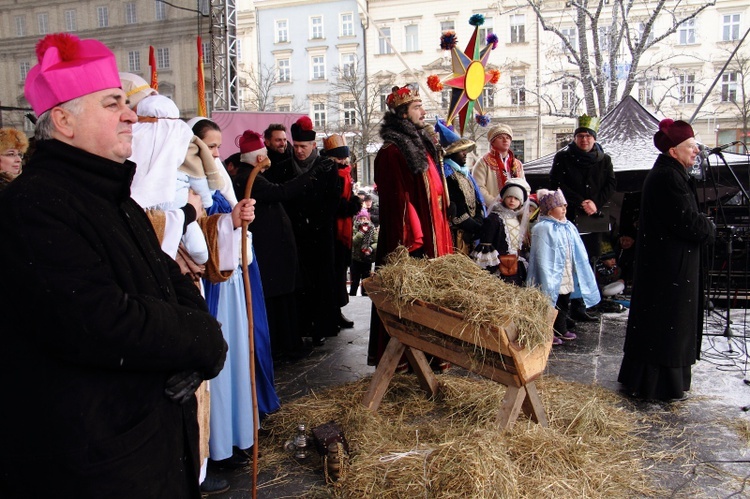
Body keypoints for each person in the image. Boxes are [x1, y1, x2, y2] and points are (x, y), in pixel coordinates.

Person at [0, 33, 227, 498]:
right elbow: (98, 319)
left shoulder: (113, 196)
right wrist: (200, 339)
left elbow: (169, 282)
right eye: (112, 104)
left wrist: (206, 335)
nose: (130, 115)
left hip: (146, 449)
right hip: (96, 463)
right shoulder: (33, 206)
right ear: (63, 120)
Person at [190, 120, 280, 480]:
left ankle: (237, 437)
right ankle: (215, 448)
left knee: (240, 360)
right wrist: (229, 221)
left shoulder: (219, 182)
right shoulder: (185, 182)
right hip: (211, 287)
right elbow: (194, 235)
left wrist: (240, 218)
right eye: (209, 147)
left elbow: (227, 223)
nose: (215, 154)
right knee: (219, 371)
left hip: (233, 284)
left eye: (216, 146)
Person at [618, 119, 714, 402]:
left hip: (667, 265)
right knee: (667, 326)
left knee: (661, 325)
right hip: (670, 268)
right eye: (691, 146)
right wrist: (708, 227)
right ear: (674, 151)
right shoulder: (668, 177)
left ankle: (652, 381)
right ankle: (660, 385)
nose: (696, 151)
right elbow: (685, 221)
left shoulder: (671, 174)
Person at [367, 84, 453, 368]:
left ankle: (435, 353)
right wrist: (412, 238)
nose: (423, 111)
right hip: (416, 243)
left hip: (435, 234)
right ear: (403, 114)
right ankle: (408, 359)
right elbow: (399, 202)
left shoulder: (421, 144)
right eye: (417, 107)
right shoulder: (393, 152)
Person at [227, 130, 327, 362]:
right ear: (260, 158)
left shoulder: (251, 174)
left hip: (274, 250)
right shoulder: (248, 177)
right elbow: (280, 192)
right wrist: (311, 174)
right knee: (277, 301)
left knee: (283, 298)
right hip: (269, 251)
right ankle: (284, 346)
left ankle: (289, 342)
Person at [549, 115, 616, 322]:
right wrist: (580, 202)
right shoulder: (563, 158)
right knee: (568, 261)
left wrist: (594, 203)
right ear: (575, 138)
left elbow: (610, 185)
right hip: (569, 215)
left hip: (593, 217)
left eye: (588, 136)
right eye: (580, 136)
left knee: (587, 261)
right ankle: (565, 309)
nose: (584, 140)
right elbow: (556, 182)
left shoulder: (604, 160)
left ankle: (581, 305)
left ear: (594, 139)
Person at [283, 116, 340, 346]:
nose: (299, 151)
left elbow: (333, 200)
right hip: (296, 233)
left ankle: (322, 326)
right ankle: (304, 325)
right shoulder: (286, 167)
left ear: (313, 146)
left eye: (303, 147)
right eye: (295, 146)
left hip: (320, 233)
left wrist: (316, 221)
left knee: (321, 281)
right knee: (301, 282)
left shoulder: (326, 167)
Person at [526, 189, 600, 345]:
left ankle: (561, 328)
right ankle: (546, 331)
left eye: (565, 206)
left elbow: (576, 248)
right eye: (560, 206)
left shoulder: (568, 226)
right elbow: (541, 255)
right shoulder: (543, 228)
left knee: (563, 302)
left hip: (565, 272)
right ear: (549, 209)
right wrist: (546, 272)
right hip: (550, 273)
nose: (564, 209)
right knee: (548, 303)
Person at [322, 134, 363, 328]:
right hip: (332, 232)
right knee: (333, 274)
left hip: (341, 232)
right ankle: (332, 313)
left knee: (339, 274)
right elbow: (334, 204)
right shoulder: (331, 174)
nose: (344, 162)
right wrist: (352, 205)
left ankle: (337, 310)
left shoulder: (344, 174)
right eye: (340, 159)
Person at [435, 119, 486, 255]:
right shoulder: (447, 175)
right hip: (457, 233)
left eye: (465, 150)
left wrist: (479, 220)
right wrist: (475, 226)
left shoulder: (465, 174)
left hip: (471, 231)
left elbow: (476, 199)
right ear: (451, 153)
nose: (465, 154)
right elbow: (456, 207)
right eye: (461, 151)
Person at [472, 178, 531, 286]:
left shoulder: (518, 219)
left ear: (521, 202)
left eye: (516, 198)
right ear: (504, 198)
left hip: (515, 265)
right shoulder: (494, 218)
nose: (512, 200)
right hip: (498, 264)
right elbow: (487, 243)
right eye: (509, 197)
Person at [472, 123, 525, 205]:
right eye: (500, 137)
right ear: (492, 142)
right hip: (492, 211)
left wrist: (520, 203)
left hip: (515, 210)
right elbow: (478, 187)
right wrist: (496, 204)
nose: (505, 140)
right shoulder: (483, 162)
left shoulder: (517, 164)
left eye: (508, 138)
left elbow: (524, 186)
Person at [350, 209, 378, 296]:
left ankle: (365, 298)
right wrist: (361, 233)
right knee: (354, 281)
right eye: (361, 218)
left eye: (364, 218)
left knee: (366, 283)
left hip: (367, 259)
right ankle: (352, 297)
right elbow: (353, 242)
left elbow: (376, 242)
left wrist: (370, 248)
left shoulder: (372, 229)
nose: (363, 221)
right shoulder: (354, 228)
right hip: (355, 259)